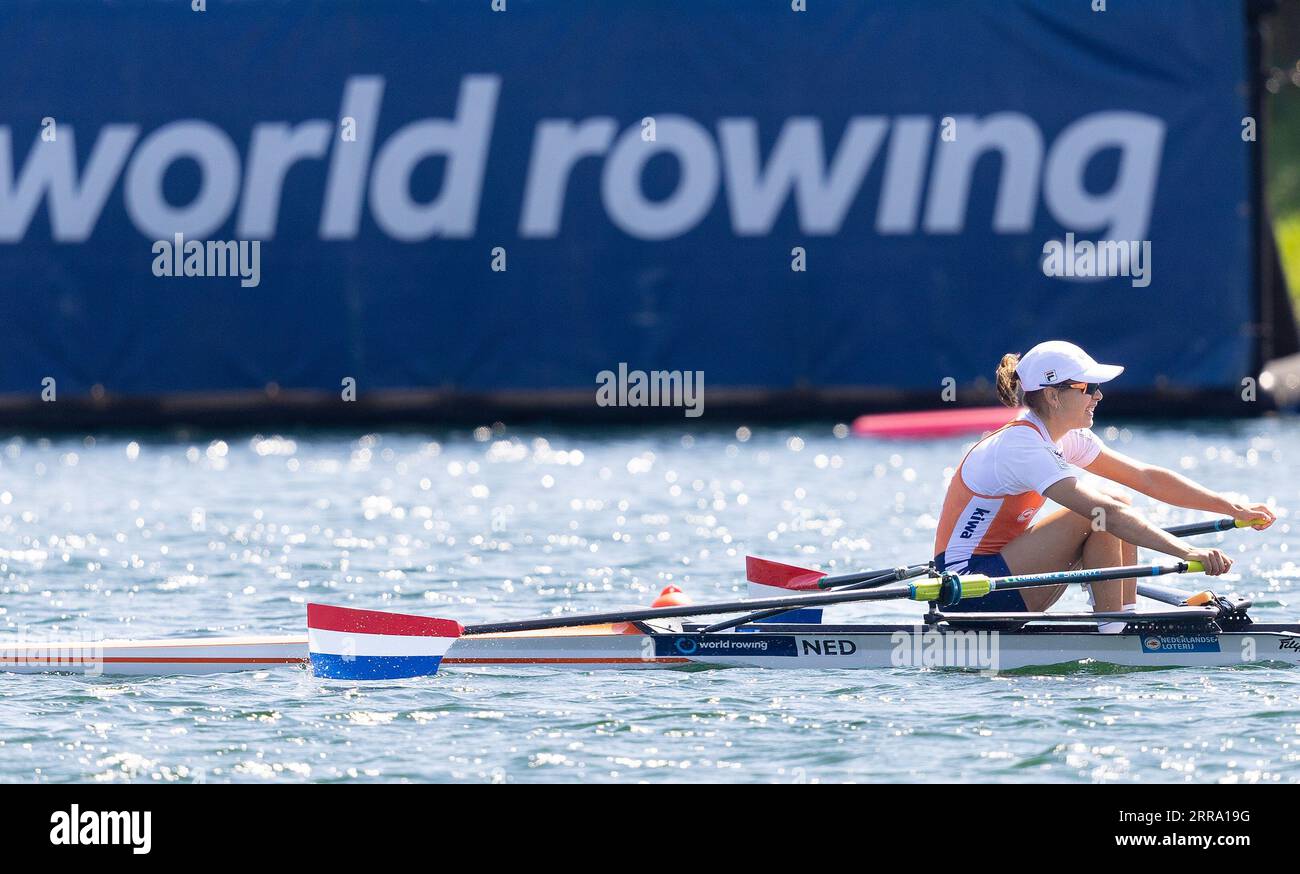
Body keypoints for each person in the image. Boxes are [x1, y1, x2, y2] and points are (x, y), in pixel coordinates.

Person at [932, 340, 1275, 621]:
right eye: (1088, 387)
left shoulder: (1062, 436)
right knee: (1097, 511)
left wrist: (1233, 508)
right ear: (1053, 395)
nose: (1098, 396)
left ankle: (1124, 617)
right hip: (967, 589)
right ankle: (1116, 630)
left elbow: (1147, 479)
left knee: (1115, 500)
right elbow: (1102, 512)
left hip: (1004, 578)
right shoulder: (1021, 445)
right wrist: (1188, 552)